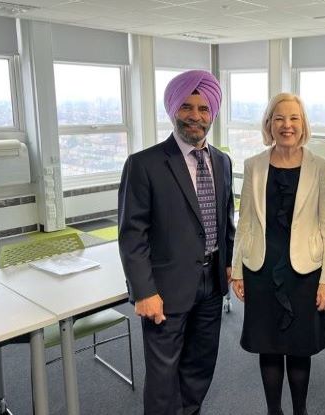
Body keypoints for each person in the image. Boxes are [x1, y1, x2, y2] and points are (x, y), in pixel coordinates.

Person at [118, 70, 235, 415]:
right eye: (187, 106)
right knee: (163, 376)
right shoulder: (144, 164)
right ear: (172, 110)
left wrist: (228, 265)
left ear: (212, 113)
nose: (195, 116)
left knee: (199, 368)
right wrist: (143, 291)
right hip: (165, 291)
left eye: (203, 108)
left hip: (211, 285)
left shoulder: (222, 161)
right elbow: (131, 234)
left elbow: (225, 221)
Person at [231, 92, 325, 415]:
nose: (286, 125)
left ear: (303, 124)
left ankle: (300, 411)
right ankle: (273, 411)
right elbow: (245, 220)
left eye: (294, 118)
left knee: (300, 346)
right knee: (269, 345)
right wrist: (237, 270)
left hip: (305, 272)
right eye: (279, 118)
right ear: (269, 124)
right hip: (261, 268)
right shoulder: (254, 166)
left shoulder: (321, 167)